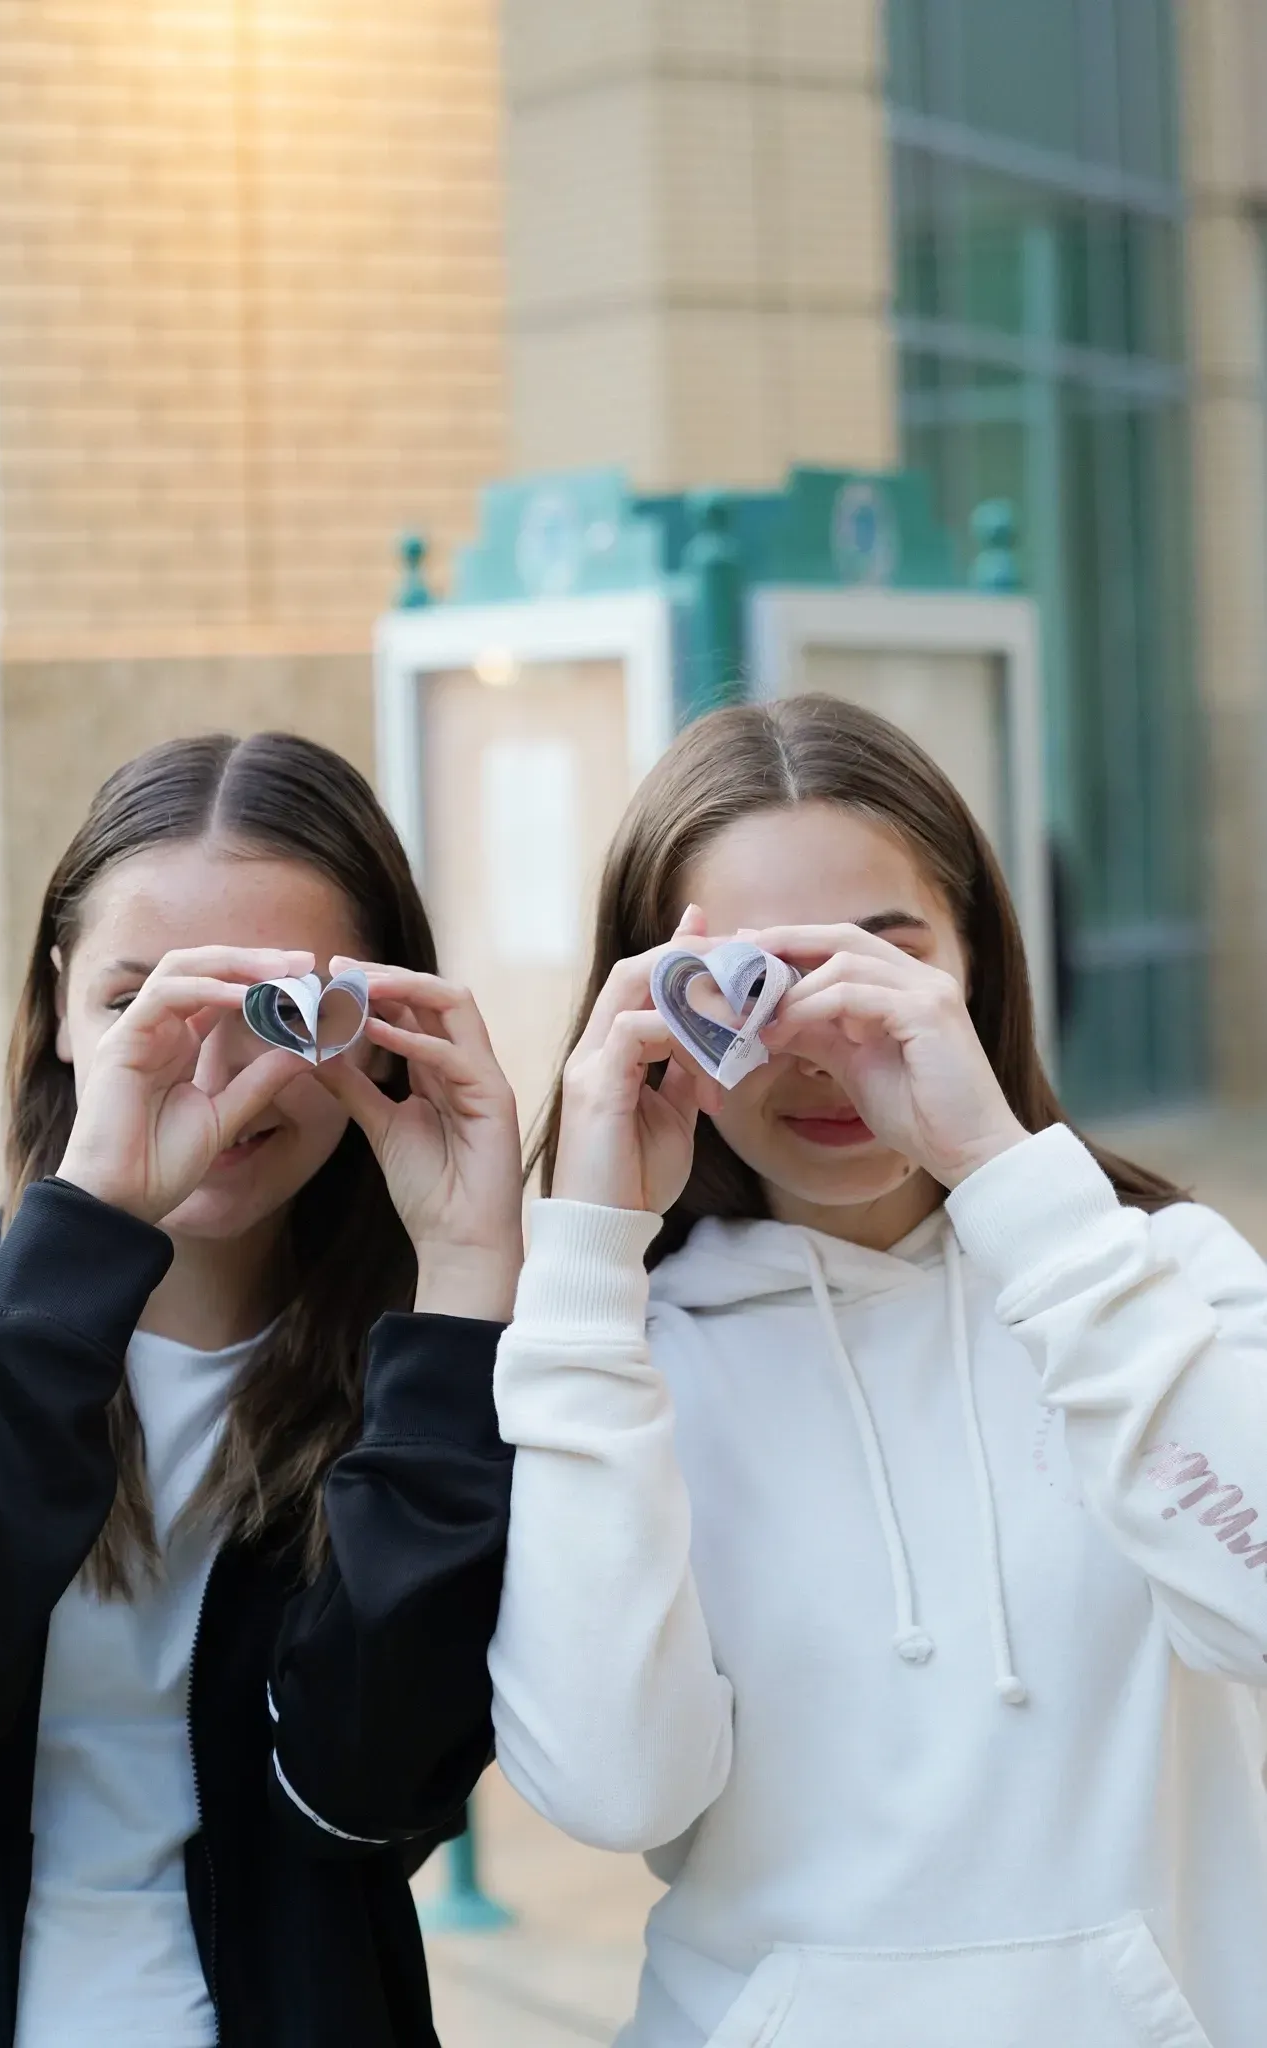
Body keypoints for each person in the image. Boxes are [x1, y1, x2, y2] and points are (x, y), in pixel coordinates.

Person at [489, 695, 1267, 2048]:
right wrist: (588, 1261)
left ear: (976, 969)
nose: (826, 1039)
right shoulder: (613, 1355)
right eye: (744, 987)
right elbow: (616, 1793)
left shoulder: (1157, 1279)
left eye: (880, 964)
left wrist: (1013, 1185)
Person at [0, 731, 523, 2048]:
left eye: (278, 1013)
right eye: (145, 1002)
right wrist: (89, 1235)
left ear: (383, 1025)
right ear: (61, 1003)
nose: (211, 1072)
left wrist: (468, 1278)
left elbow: (368, 1794)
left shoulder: (426, 1371)